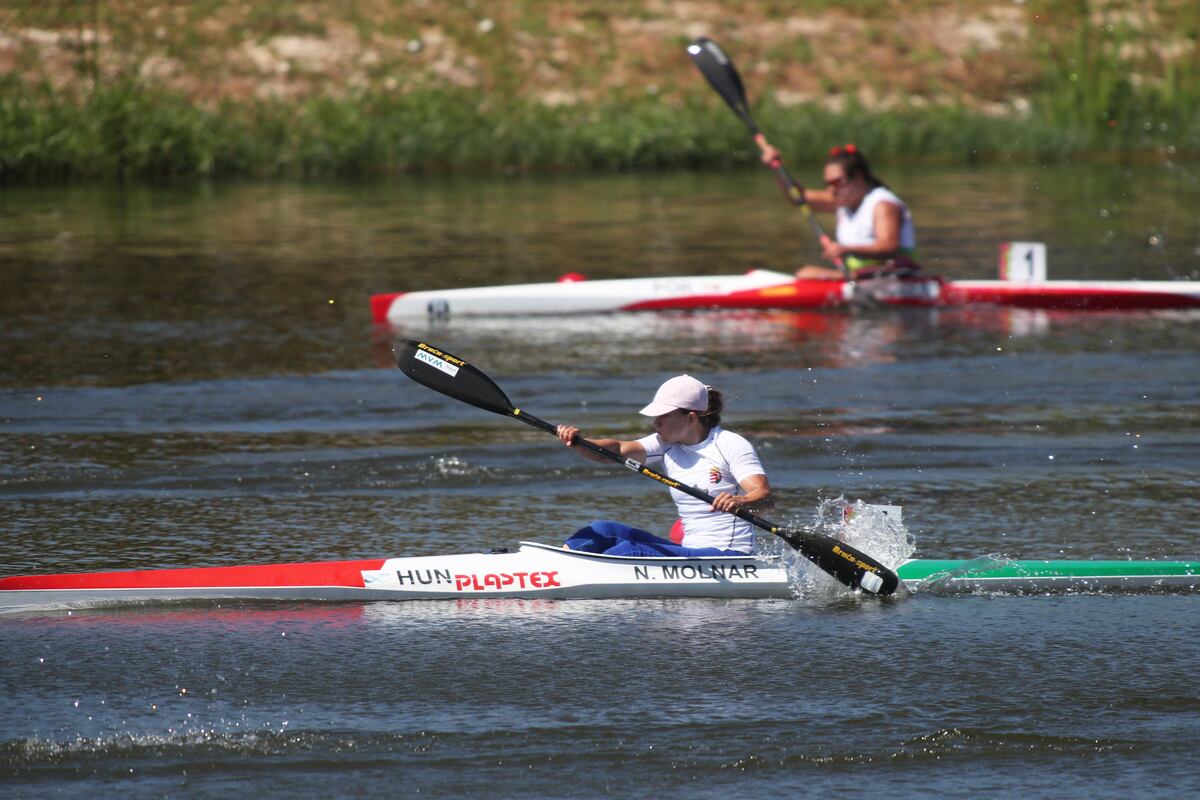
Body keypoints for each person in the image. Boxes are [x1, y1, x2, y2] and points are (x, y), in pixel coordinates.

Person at [555, 374, 772, 557]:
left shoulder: (729, 444)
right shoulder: (666, 442)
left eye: (664, 415)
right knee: (602, 529)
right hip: (690, 552)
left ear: (690, 418)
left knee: (629, 551)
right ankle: (558, 564)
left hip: (729, 555)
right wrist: (577, 442)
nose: (655, 422)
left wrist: (740, 501)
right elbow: (613, 452)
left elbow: (765, 497)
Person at [758, 140, 919, 280]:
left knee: (806, 274)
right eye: (827, 184)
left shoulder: (883, 205)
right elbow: (798, 197)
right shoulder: (841, 200)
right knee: (805, 273)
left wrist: (845, 249)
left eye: (837, 183)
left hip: (897, 276)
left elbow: (889, 247)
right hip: (862, 277)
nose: (831, 190)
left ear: (858, 177)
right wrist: (778, 168)